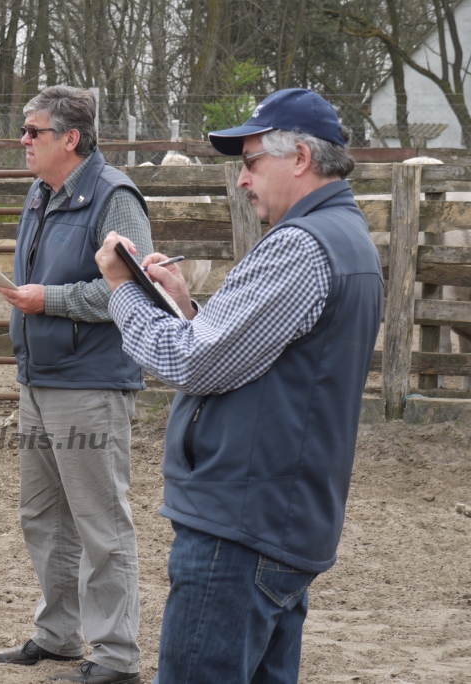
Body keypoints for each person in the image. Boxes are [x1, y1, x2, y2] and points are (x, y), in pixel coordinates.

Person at [95, 88, 384, 683]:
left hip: (242, 524)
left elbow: (190, 366)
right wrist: (182, 306)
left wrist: (122, 290)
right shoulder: (343, 237)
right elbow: (254, 357)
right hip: (278, 516)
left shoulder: (301, 247)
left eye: (251, 162)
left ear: (299, 158)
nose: (243, 180)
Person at [0, 86, 153, 684]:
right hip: (38, 378)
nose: (24, 141)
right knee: (43, 516)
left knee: (101, 524)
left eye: (33, 132)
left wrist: (46, 300)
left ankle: (115, 655)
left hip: (90, 385)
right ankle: (59, 634)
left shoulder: (115, 199)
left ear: (70, 138)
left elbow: (132, 291)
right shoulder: (40, 193)